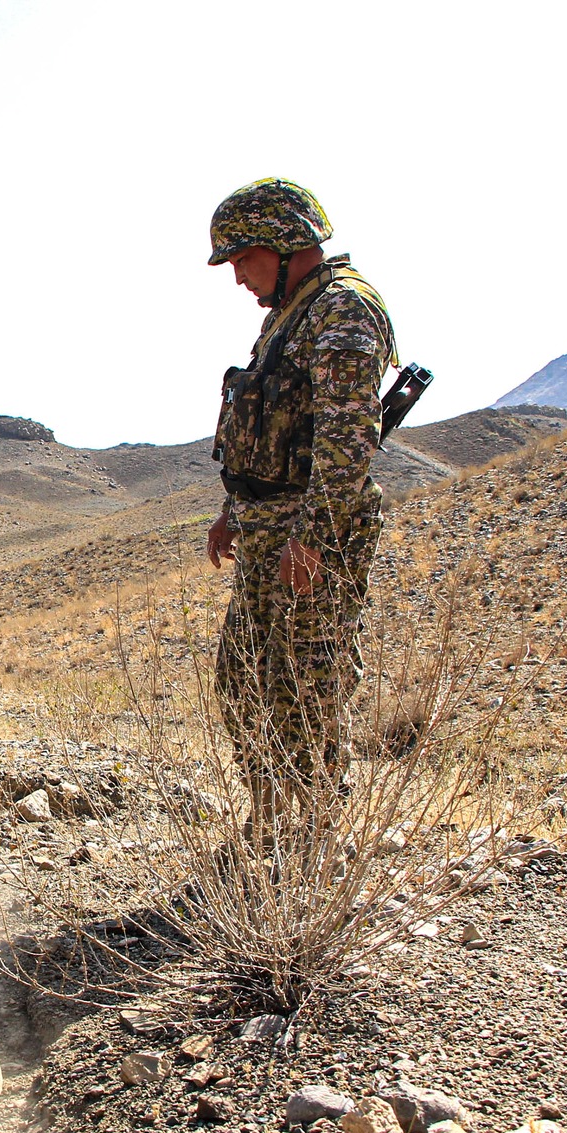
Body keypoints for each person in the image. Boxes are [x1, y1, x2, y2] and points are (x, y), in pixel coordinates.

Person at [203, 178, 396, 818]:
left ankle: (307, 833)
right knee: (243, 682)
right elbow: (274, 428)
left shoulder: (343, 309)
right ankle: (274, 818)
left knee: (303, 693)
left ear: (286, 242)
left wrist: (313, 537)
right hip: (267, 529)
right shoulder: (290, 319)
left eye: (242, 259)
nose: (237, 279)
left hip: (306, 534)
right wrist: (233, 510)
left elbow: (346, 441)